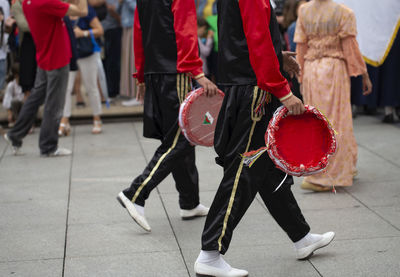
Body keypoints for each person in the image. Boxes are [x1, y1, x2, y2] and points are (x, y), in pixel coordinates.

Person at [194, 1, 335, 276]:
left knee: (269, 171)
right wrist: (283, 91)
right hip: (255, 92)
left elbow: (242, 37)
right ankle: (210, 253)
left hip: (249, 85)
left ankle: (301, 236)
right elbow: (256, 41)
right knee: (243, 171)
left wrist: (277, 56)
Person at [116, 0, 218, 232]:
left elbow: (139, 33)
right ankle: (135, 194)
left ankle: (189, 202)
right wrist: (197, 71)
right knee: (180, 139)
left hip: (156, 71)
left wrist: (141, 75)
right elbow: (186, 30)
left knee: (178, 139)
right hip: (176, 71)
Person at [295, 0, 372, 192]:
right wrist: (364, 74)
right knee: (338, 121)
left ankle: (326, 169)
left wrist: (300, 75)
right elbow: (351, 48)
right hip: (334, 70)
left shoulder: (304, 10)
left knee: (317, 123)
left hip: (312, 69)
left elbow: (301, 47)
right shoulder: (343, 12)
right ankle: (332, 174)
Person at [3, 0, 88, 156]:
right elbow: (82, 11)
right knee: (54, 104)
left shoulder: (29, 3)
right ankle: (48, 146)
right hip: (56, 58)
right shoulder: (45, 2)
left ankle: (15, 134)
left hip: (44, 56)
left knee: (36, 97)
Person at [59, 4, 104, 136]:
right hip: (69, 54)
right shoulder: (63, 9)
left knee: (91, 86)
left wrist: (83, 33)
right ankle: (65, 118)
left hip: (87, 52)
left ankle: (97, 117)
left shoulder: (87, 10)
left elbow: (99, 30)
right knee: (66, 88)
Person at [119, 0, 141, 107]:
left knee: (133, 61)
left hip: (135, 26)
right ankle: (135, 95)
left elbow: (139, 8)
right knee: (130, 62)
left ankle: (138, 96)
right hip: (130, 25)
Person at [2, 63, 23, 128]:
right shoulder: (11, 85)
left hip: (25, 105)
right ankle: (17, 121)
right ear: (16, 75)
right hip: (16, 108)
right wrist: (9, 113)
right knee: (14, 101)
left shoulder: (28, 83)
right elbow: (7, 100)